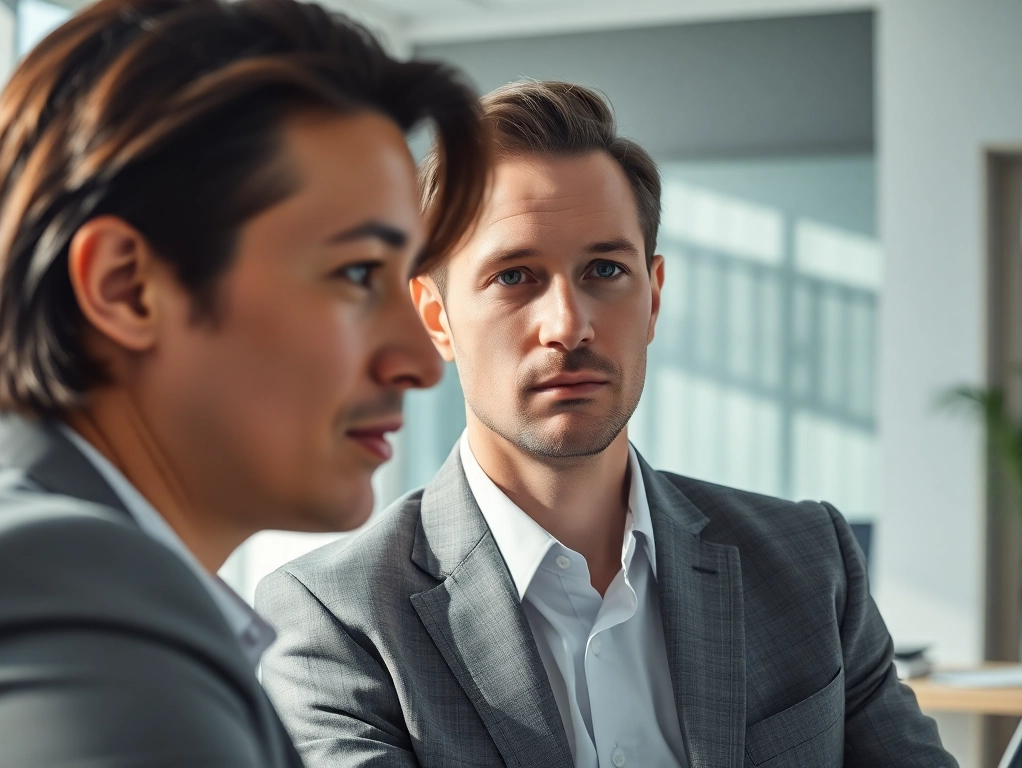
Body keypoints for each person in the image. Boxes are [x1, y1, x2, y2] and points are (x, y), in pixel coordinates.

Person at [0, 1, 490, 765]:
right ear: (126, 288)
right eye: (357, 273)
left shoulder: (34, 578)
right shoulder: (40, 608)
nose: (421, 362)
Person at [256, 80, 955, 768]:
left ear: (653, 297)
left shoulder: (809, 564)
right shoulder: (336, 620)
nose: (568, 325)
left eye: (603, 269)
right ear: (436, 319)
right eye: (514, 276)